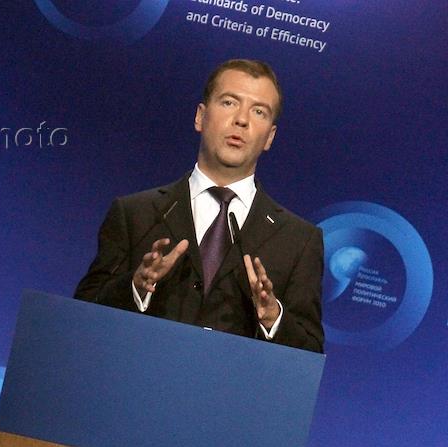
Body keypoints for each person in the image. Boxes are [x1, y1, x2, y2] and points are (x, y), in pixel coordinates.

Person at [74, 59, 324, 353]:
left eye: (259, 111)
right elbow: (81, 314)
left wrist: (273, 317)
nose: (241, 120)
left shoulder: (299, 240)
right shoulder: (135, 214)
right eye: (229, 102)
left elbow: (309, 352)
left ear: (269, 137)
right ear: (200, 117)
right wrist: (136, 286)